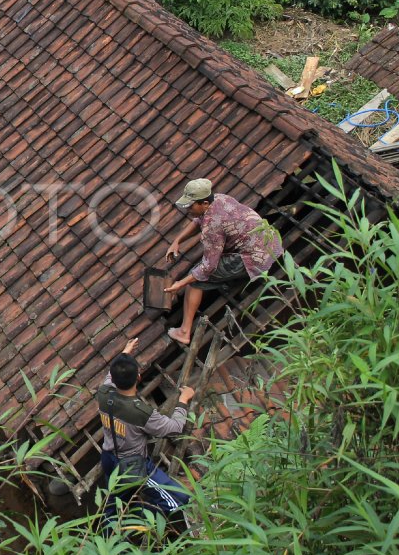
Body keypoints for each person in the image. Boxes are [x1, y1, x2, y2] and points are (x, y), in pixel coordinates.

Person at [163, 179, 284, 345]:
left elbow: (208, 267)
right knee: (201, 270)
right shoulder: (219, 198)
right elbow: (199, 221)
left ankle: (184, 331)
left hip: (257, 258)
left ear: (204, 203)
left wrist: (181, 284)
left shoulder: (213, 226)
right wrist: (177, 240)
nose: (187, 210)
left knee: (196, 279)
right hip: (271, 242)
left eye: (190, 206)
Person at [96, 337, 194, 523]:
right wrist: (183, 401)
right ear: (139, 378)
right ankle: (140, 519)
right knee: (178, 501)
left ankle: (110, 533)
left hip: (108, 457)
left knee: (115, 501)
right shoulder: (141, 412)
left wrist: (125, 353)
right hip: (133, 465)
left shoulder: (103, 391)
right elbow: (174, 429)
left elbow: (111, 373)